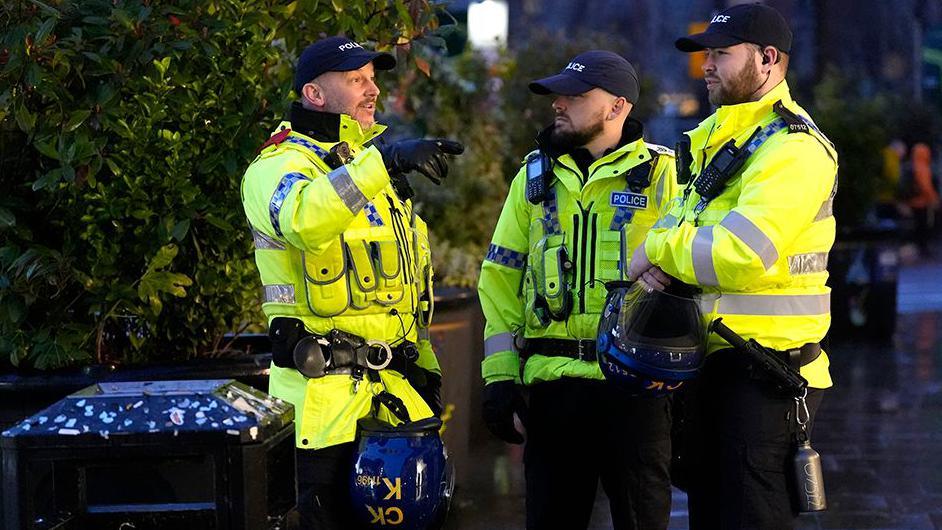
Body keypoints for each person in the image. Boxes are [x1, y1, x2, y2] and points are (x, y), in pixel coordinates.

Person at [627, 4, 838, 529]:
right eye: (705, 53)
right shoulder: (719, 139)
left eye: (721, 53)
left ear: (768, 59)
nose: (707, 65)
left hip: (765, 375)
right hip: (714, 368)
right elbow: (677, 229)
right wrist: (664, 247)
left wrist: (657, 251)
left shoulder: (794, 150)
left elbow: (738, 254)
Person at [240, 36, 463, 528]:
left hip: (394, 403)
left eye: (374, 78)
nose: (373, 90)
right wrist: (383, 163)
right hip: (322, 415)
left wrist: (424, 373)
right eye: (356, 79)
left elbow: (405, 294)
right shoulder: (277, 166)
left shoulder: (364, 168)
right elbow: (302, 218)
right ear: (314, 95)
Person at [478, 50, 679, 530]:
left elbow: (694, 275)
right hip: (553, 394)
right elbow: (501, 277)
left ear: (617, 107)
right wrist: (500, 380)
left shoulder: (665, 176)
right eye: (558, 95)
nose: (558, 104)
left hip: (637, 392)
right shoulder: (533, 178)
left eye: (575, 95)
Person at [905, 142, 939, 256]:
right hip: (922, 202)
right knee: (924, 226)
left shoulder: (911, 166)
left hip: (911, 201)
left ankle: (918, 248)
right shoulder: (923, 167)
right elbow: (926, 187)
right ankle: (923, 249)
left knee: (916, 226)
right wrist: (934, 199)